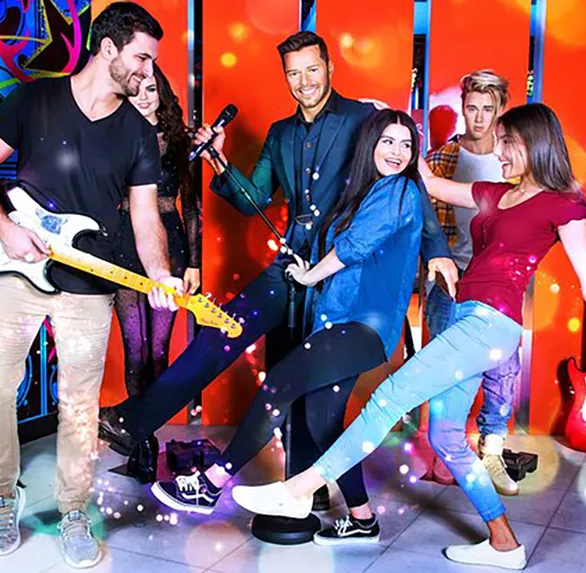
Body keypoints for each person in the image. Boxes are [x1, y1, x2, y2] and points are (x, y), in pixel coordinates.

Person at [230, 103, 586, 570]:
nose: (498, 149)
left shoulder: (563, 205)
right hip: (466, 318)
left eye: (507, 141)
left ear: (534, 143)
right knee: (449, 438)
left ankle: (297, 491)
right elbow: (426, 181)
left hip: (492, 323)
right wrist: (379, 113)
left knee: (390, 396)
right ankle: (504, 543)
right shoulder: (497, 193)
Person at [98, 31, 457, 541]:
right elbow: (252, 200)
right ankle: (135, 422)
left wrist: (438, 247)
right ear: (284, 76)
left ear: (329, 67)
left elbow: (408, 187)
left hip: (337, 281)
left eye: (313, 70)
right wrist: (218, 162)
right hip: (289, 270)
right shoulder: (280, 132)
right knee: (219, 334)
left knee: (310, 402)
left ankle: (301, 498)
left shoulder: (363, 121)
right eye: (294, 73)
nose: (305, 82)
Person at [0, 3, 183, 568]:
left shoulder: (138, 134)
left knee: (79, 406)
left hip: (89, 282)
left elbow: (145, 217)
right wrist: (5, 230)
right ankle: (3, 498)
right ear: (108, 50)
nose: (149, 71)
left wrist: (158, 275)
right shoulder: (35, 100)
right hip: (17, 271)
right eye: (142, 57)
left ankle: (74, 508)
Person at [151, 109, 423, 545]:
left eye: (406, 145)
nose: (397, 152)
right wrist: (220, 164)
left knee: (278, 383)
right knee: (323, 423)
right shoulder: (364, 192)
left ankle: (212, 483)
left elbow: (356, 247)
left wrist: (310, 275)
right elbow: (266, 205)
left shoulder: (401, 191)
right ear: (370, 143)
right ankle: (363, 517)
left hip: (364, 327)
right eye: (388, 141)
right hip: (337, 320)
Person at [421, 70, 521, 496]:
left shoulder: (514, 165)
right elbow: (423, 224)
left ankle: (492, 451)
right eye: (471, 108)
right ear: (463, 107)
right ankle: (446, 454)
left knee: (502, 370)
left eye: (487, 109)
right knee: (444, 371)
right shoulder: (440, 159)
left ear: (500, 111)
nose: (478, 118)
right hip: (448, 282)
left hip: (496, 284)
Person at [113, 64, 201, 484]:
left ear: (161, 92)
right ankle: (142, 444)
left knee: (158, 353)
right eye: (137, 89)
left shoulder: (180, 142)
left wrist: (196, 263)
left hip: (173, 248)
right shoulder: (113, 138)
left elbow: (193, 208)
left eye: (151, 88)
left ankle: (151, 433)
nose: (145, 96)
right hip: (124, 249)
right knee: (134, 350)